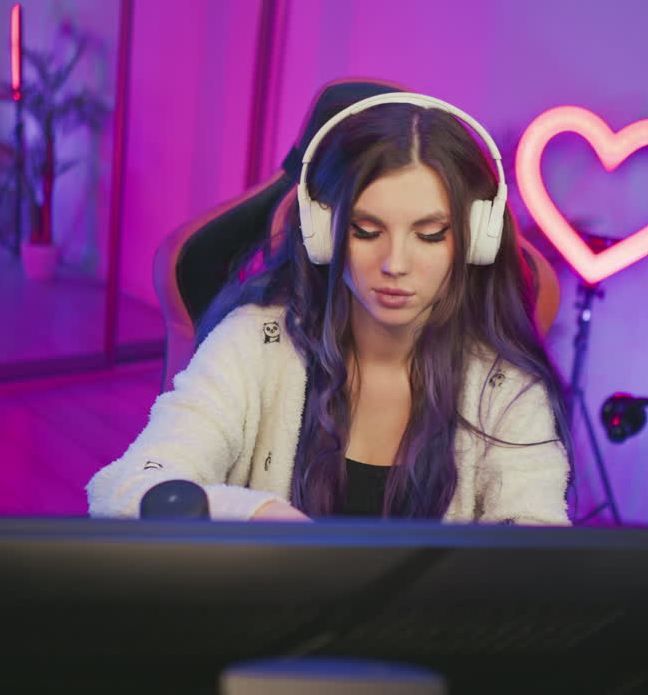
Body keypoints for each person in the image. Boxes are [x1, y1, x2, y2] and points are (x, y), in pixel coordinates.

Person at [87, 93, 573, 524]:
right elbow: (127, 487)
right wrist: (253, 513)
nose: (395, 264)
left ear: (474, 241)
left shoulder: (505, 386)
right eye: (365, 231)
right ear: (322, 231)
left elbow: (536, 547)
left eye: (429, 235)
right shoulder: (256, 343)